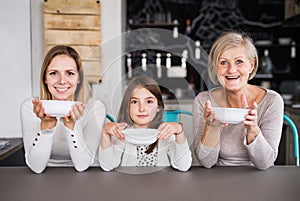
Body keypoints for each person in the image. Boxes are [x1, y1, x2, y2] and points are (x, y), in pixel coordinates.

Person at [193, 31, 284, 170]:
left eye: (239, 61)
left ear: (251, 65)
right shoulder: (204, 101)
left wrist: (253, 130)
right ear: (215, 67)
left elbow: (265, 163)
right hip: (216, 178)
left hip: (258, 177)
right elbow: (207, 163)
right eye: (223, 62)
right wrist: (211, 128)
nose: (231, 69)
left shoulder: (272, 101)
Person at [21, 45, 106, 173]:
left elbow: (82, 165)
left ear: (79, 78)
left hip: (86, 177)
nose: (62, 81)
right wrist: (46, 127)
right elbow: (36, 167)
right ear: (45, 78)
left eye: (70, 73)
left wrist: (72, 126)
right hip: (46, 175)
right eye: (53, 73)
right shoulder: (31, 107)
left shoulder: (95, 108)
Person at [99, 76, 192, 171]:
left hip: (162, 184)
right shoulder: (122, 133)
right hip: (129, 184)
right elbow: (107, 165)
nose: (141, 108)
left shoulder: (165, 133)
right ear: (127, 107)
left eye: (149, 101)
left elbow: (183, 166)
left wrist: (179, 132)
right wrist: (105, 133)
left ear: (158, 107)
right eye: (134, 102)